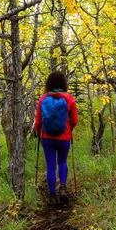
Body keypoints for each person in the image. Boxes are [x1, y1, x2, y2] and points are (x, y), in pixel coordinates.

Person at [35, 71, 78, 205]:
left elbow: (38, 121)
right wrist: (69, 128)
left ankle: (52, 195)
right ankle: (63, 188)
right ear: (63, 83)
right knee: (62, 162)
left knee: (50, 166)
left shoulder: (43, 99)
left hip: (47, 137)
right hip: (64, 136)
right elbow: (75, 120)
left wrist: (38, 133)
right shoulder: (69, 98)